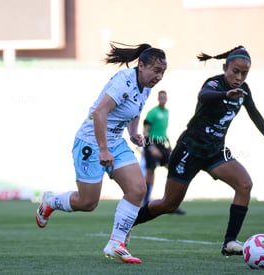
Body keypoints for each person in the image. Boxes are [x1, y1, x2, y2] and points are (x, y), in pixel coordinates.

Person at [130, 46, 264, 257]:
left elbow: (255, 114)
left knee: (245, 184)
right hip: (189, 149)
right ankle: (128, 224)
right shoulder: (214, 84)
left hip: (215, 151)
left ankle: (229, 242)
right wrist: (225, 94)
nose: (239, 77)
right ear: (225, 67)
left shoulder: (244, 91)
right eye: (235, 71)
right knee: (168, 204)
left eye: (244, 73)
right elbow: (204, 96)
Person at [35, 42, 167, 264]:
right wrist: (103, 149)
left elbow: (134, 110)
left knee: (137, 189)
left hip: (115, 141)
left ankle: (116, 244)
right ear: (141, 65)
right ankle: (50, 202)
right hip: (90, 142)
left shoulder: (147, 86)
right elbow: (99, 113)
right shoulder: (123, 81)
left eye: (163, 71)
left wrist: (133, 133)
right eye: (156, 70)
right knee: (87, 203)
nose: (160, 76)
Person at [141, 90, 186, 214]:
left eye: (164, 98)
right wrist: (151, 147)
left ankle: (170, 203)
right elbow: (145, 131)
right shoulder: (152, 112)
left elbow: (163, 132)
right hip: (152, 144)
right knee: (150, 173)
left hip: (162, 144)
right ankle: (145, 204)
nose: (163, 99)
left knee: (173, 169)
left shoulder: (167, 112)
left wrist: (170, 147)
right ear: (158, 98)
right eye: (161, 97)